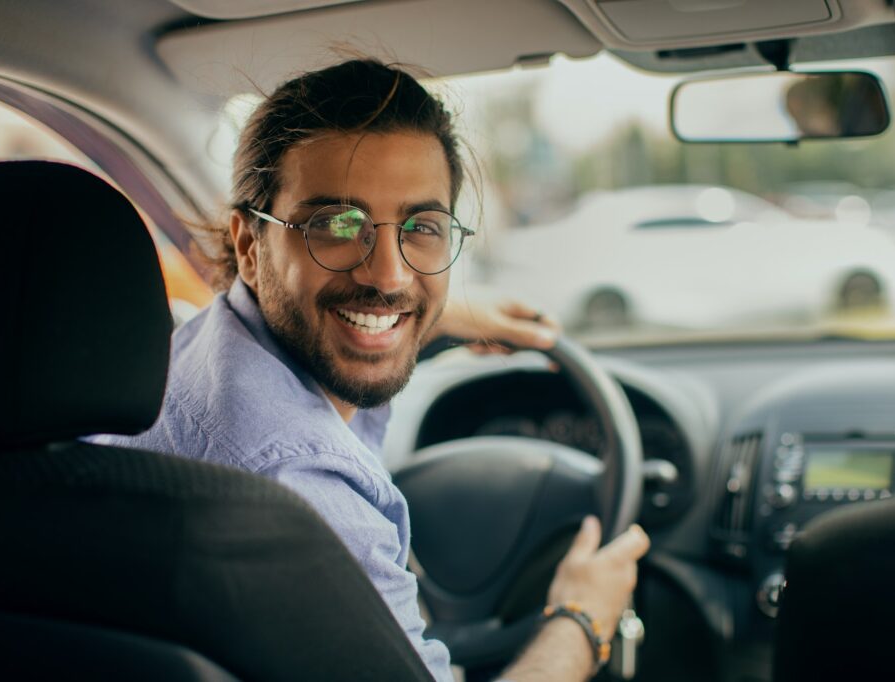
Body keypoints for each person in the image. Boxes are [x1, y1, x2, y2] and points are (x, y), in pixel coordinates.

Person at [98, 58, 649, 682]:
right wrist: (581, 618)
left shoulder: (196, 350)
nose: (388, 275)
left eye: (423, 227)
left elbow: (352, 294)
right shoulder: (303, 491)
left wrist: (427, 315)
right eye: (336, 224)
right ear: (251, 246)